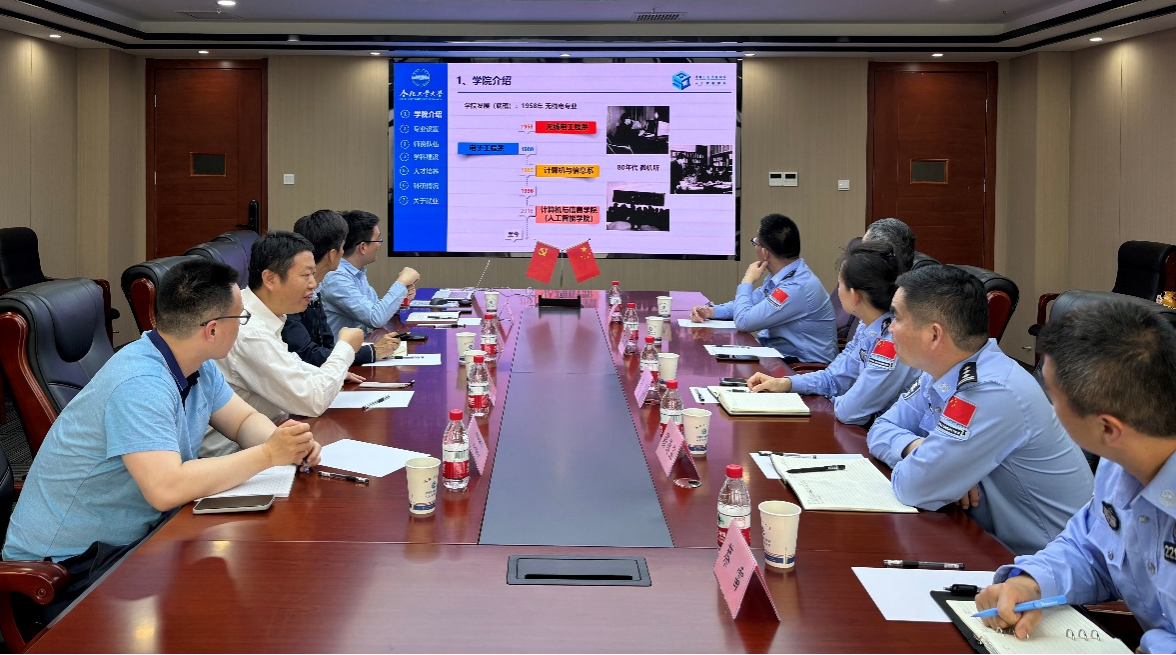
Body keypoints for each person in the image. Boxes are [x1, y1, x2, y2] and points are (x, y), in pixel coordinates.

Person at [3, 258, 321, 620]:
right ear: (213, 329)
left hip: (135, 538)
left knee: (243, 578)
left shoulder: (194, 362)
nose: (241, 325)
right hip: (66, 571)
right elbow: (166, 488)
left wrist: (286, 442)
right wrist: (268, 454)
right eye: (241, 317)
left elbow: (242, 420)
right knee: (234, 602)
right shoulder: (140, 382)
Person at [976, 302, 1176, 651]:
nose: (1050, 412)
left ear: (1107, 428)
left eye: (1054, 399)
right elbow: (1091, 549)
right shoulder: (1121, 460)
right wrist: (1031, 583)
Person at [867, 265, 1093, 555]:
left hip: (1042, 561)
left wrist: (937, 471)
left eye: (897, 317)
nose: (889, 327)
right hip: (978, 536)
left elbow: (914, 487)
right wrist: (916, 448)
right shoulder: (941, 370)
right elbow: (880, 428)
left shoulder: (991, 390)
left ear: (934, 335)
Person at [203, 231, 363, 457]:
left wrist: (328, 372)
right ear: (270, 279)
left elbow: (288, 365)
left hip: (273, 435)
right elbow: (313, 401)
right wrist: (345, 348)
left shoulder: (265, 313)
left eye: (313, 274)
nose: (313, 284)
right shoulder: (249, 330)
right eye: (306, 275)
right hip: (237, 456)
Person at [746, 241, 919, 425]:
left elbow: (849, 412)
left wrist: (830, 400)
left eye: (840, 285)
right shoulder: (867, 324)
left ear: (855, 295)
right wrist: (786, 383)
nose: (838, 291)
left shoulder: (893, 342)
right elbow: (834, 377)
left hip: (885, 433)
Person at [690, 214, 837, 364]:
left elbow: (744, 322)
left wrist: (747, 281)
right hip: (778, 356)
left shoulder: (795, 287)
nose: (755, 246)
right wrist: (711, 312)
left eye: (755, 242)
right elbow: (750, 303)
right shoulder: (783, 276)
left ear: (765, 252)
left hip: (802, 366)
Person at [285, 209, 400, 366]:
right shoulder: (298, 294)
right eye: (343, 246)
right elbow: (307, 355)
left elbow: (326, 346)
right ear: (333, 254)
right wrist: (371, 352)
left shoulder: (315, 291)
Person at [319, 210, 420, 335]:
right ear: (362, 247)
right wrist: (402, 282)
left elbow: (375, 308)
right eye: (378, 240)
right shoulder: (336, 277)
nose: (379, 245)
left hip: (362, 343)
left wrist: (401, 296)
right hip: (342, 347)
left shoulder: (357, 271)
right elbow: (375, 319)